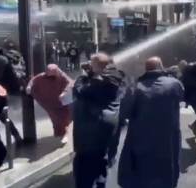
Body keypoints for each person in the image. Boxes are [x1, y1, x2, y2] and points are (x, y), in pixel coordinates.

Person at [118, 57, 184, 188]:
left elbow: (124, 112)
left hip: (141, 140)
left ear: (146, 69)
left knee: (141, 174)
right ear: (161, 66)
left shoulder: (135, 87)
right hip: (167, 139)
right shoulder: (175, 84)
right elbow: (181, 96)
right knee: (166, 171)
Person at [73, 53, 124, 188]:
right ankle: (101, 180)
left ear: (97, 65)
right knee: (100, 161)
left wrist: (83, 75)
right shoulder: (114, 78)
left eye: (92, 63)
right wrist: (91, 73)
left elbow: (79, 90)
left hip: (92, 131)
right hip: (105, 130)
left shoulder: (100, 82)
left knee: (84, 171)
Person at [26, 64, 73, 144]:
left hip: (61, 101)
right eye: (49, 76)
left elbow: (70, 83)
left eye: (53, 76)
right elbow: (33, 80)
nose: (51, 78)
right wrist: (29, 87)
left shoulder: (62, 76)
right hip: (49, 102)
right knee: (54, 118)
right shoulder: (41, 76)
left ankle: (65, 134)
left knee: (64, 118)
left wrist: (64, 93)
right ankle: (59, 133)